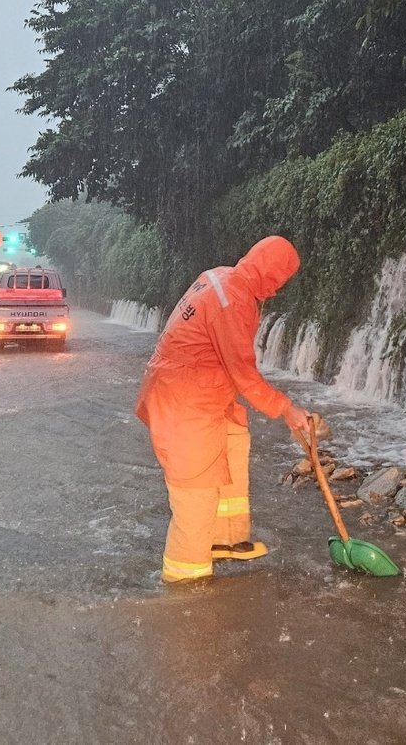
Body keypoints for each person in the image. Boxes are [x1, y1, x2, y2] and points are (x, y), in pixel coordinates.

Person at [136, 235, 313, 584]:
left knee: (234, 439)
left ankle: (226, 539)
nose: (277, 290)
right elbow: (244, 374)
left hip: (195, 389)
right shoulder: (234, 301)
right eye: (280, 280)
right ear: (271, 275)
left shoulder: (222, 276)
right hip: (184, 403)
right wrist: (287, 410)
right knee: (195, 495)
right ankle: (186, 584)